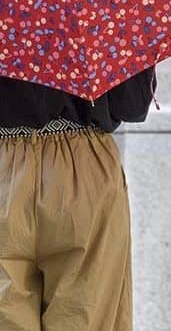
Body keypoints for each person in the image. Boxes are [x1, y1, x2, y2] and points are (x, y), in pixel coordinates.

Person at [0, 68, 157, 331]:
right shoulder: (103, 25)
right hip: (81, 169)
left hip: (3, 169)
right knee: (86, 315)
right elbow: (131, 105)